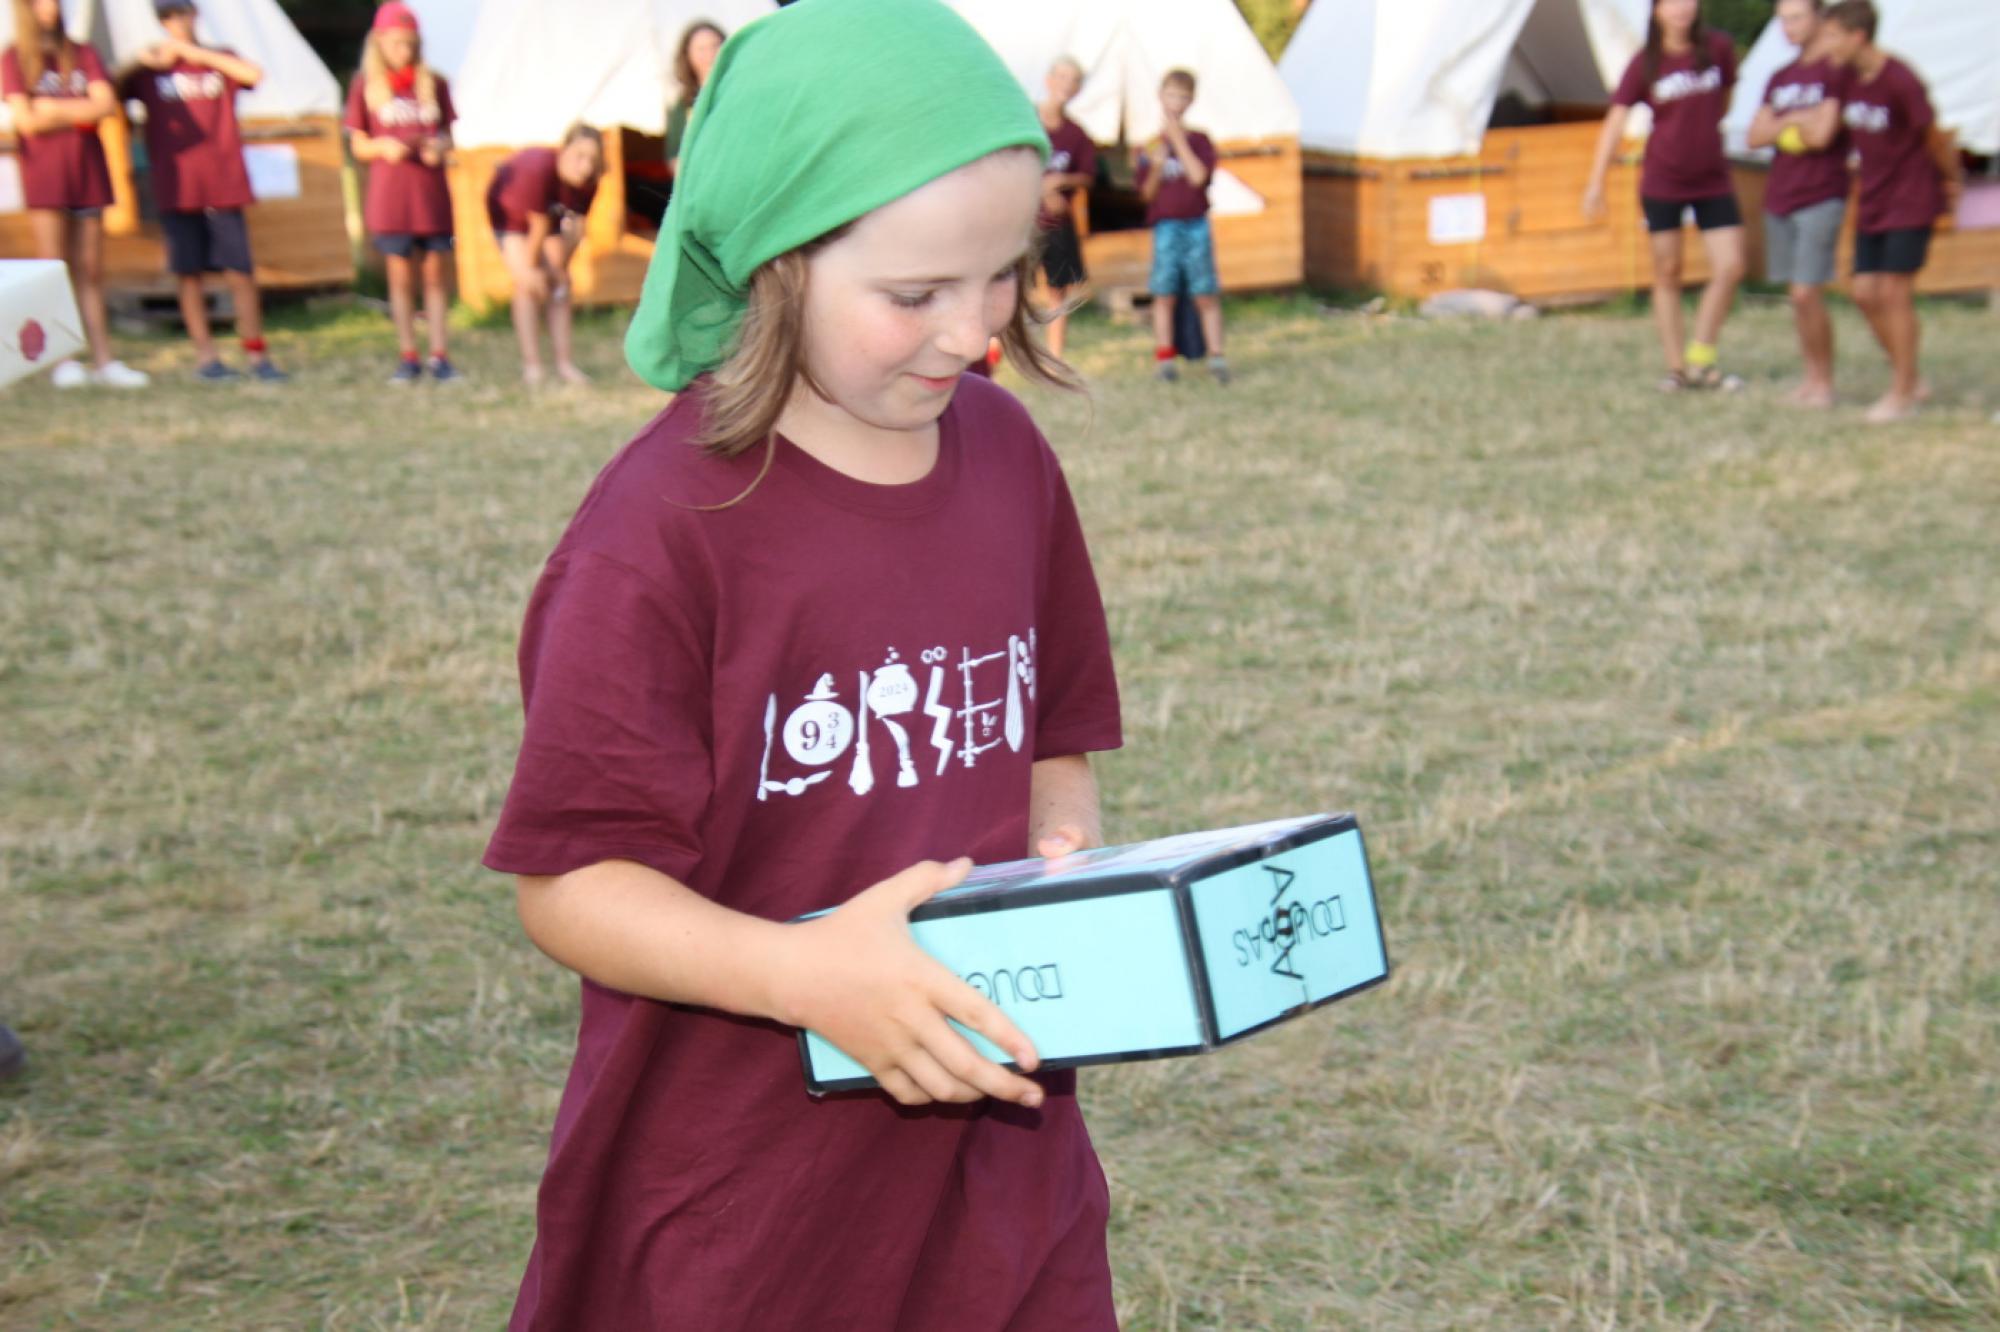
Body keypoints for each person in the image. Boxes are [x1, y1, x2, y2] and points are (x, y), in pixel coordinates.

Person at [483, 1, 1123, 1325]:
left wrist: (1062, 862)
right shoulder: (659, 535)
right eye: (914, 294)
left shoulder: (1008, 457)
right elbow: (570, 886)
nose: (971, 331)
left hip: (1000, 1157)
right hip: (745, 1198)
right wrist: (804, 974)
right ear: (776, 262)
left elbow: (1050, 730)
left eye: (1001, 274)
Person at [1583, 0, 1746, 393]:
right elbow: (1616, 120)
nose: (1681, 9)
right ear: (1656, 11)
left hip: (1712, 177)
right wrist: (1596, 181)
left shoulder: (1718, 49)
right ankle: (1677, 368)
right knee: (1667, 271)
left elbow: (1725, 100)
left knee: (1731, 266)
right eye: (1671, 3)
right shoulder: (1645, 63)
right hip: (1664, 180)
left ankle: (1701, 355)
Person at [119, 0, 286, 383]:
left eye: (182, 13)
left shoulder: (219, 57)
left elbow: (253, 74)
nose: (177, 22)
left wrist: (195, 54)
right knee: (188, 271)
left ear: (194, 15)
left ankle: (256, 353)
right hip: (178, 184)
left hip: (224, 181)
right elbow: (109, 87)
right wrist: (139, 60)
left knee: (240, 270)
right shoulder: (151, 68)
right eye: (168, 17)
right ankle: (206, 357)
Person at [1822, 0, 1962, 424]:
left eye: (1833, 35)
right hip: (1873, 198)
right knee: (1864, 292)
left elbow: (1933, 136)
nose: (1826, 44)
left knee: (1894, 293)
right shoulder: (1846, 78)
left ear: (1858, 36)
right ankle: (1909, 375)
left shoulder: (1900, 80)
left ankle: (1903, 393)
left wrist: (1951, 181)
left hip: (1910, 198)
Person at [2, 0, 149, 388]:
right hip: (46, 175)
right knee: (54, 268)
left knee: (91, 269)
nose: (50, 7)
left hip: (89, 173)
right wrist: (75, 110)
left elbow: (104, 105)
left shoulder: (82, 53)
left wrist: (51, 108)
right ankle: (62, 360)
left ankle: (104, 360)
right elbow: (26, 120)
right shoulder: (15, 58)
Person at [343, 1, 459, 385]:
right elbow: (358, 144)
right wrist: (383, 147)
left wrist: (438, 147)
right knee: (400, 276)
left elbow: (449, 136)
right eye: (396, 43)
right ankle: (408, 355)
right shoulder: (366, 86)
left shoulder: (434, 83)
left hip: (430, 195)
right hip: (392, 196)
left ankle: (440, 355)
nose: (404, 51)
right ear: (379, 42)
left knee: (435, 274)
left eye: (410, 43)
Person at [1747, 0, 1848, 409]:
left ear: (1819, 17)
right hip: (1780, 193)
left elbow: (1824, 134)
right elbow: (1754, 135)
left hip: (1821, 191)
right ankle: (1811, 377)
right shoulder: (1780, 76)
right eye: (1782, 20)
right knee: (1796, 295)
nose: (1788, 27)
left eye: (1796, 17)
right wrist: (1798, 121)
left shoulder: (1836, 71)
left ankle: (1824, 383)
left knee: (1807, 292)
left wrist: (1783, 122)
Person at [486, 124, 606, 387]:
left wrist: (560, 271)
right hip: (511, 218)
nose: (585, 167)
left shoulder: (589, 182)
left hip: (548, 221)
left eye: (593, 160)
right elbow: (537, 226)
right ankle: (533, 366)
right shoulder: (538, 169)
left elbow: (577, 228)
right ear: (564, 150)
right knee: (529, 284)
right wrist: (532, 270)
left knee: (561, 286)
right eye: (579, 156)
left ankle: (564, 364)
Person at [1136, 68, 1226, 384]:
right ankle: (1165, 358)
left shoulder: (1199, 141)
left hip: (1196, 225)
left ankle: (1216, 357)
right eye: (1171, 95)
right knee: (1164, 292)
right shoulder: (1149, 145)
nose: (1176, 102)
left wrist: (1177, 140)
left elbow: (1199, 177)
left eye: (1183, 96)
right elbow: (1145, 194)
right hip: (1166, 227)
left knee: (1204, 292)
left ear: (1191, 101)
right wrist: (1156, 167)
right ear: (1160, 96)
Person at [1035, 55, 1094, 359]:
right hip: (1022, 223)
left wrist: (1062, 180)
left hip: (1057, 224)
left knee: (1058, 291)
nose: (1066, 85)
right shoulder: (1026, 120)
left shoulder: (1076, 134)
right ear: (1048, 80)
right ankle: (995, 350)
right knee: (1009, 288)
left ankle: (1054, 357)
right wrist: (1042, 190)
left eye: (1073, 80)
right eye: (1061, 77)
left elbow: (1088, 176)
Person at [662, 19, 722, 180]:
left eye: (715, 45)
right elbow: (675, 158)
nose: (710, 54)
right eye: (701, 49)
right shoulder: (683, 106)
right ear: (688, 55)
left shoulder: (739, 91)